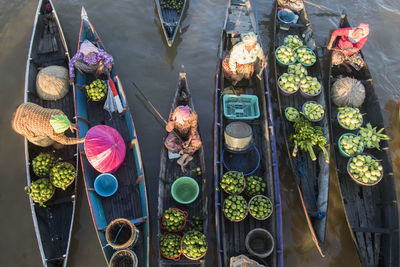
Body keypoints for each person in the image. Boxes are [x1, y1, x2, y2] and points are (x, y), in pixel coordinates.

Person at [11, 102, 85, 148]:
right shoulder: (52, 132)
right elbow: (66, 141)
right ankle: (53, 143)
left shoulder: (57, 113)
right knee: (41, 140)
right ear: (57, 130)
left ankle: (16, 114)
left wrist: (70, 124)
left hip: (24, 107)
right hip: (18, 125)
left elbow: (63, 117)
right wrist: (81, 140)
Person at [164, 104, 202, 172]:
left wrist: (188, 141)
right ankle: (186, 154)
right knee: (168, 143)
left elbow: (193, 130)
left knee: (197, 143)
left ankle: (182, 159)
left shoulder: (193, 116)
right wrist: (172, 119)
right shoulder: (174, 115)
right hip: (176, 134)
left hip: (188, 135)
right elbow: (168, 129)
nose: (182, 123)